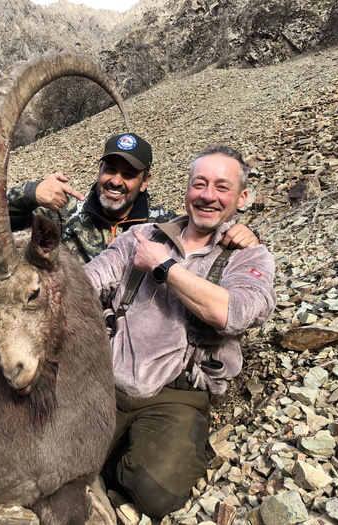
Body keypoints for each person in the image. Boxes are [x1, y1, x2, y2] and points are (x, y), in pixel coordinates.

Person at [83, 145, 277, 519]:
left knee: (156, 493)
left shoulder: (249, 256)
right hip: (103, 380)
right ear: (186, 189)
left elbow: (235, 313)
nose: (208, 195)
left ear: (242, 197)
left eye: (222, 187)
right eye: (199, 184)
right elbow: (88, 281)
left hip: (176, 394)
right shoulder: (141, 236)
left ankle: (113, 468)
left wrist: (164, 267)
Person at [7, 133, 259, 264]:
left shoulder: (165, 225)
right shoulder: (64, 214)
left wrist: (244, 233)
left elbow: (208, 225)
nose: (116, 181)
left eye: (129, 174)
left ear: (145, 181)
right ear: (99, 170)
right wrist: (30, 194)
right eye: (110, 170)